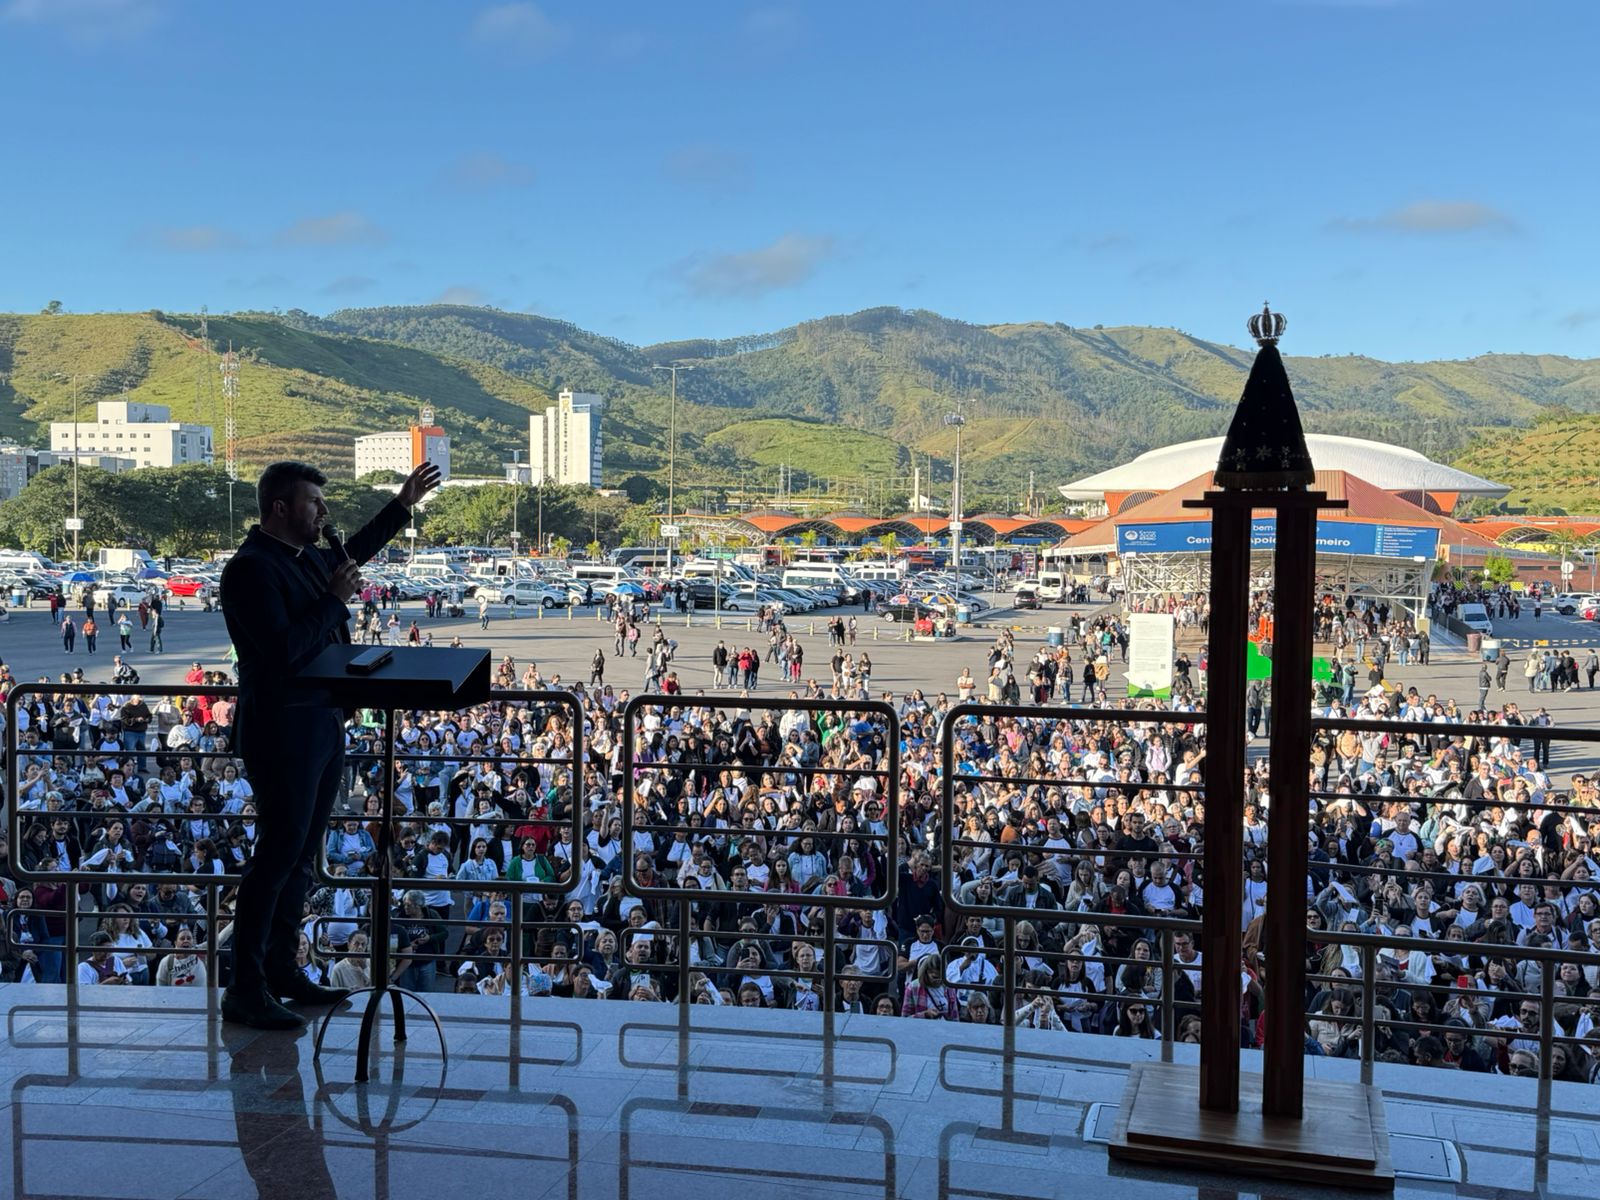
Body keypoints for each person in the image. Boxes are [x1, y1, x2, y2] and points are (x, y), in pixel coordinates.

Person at [218, 458, 440, 1029]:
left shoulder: (302, 557)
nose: (324, 512)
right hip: (281, 729)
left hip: (321, 721)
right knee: (275, 858)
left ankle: (282, 968)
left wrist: (402, 504)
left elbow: (354, 551)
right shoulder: (251, 569)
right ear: (280, 508)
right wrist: (334, 602)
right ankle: (245, 987)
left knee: (301, 859)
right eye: (314, 502)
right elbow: (282, 651)